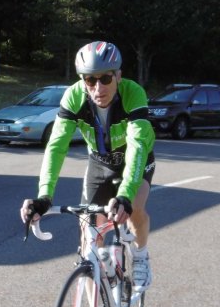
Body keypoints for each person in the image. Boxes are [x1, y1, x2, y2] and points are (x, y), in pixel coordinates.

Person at [20, 41, 156, 293]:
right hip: (100, 162)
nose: (98, 87)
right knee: (89, 238)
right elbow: (56, 146)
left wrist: (125, 195)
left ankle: (140, 255)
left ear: (118, 76)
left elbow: (137, 146)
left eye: (105, 78)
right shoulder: (74, 96)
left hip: (134, 160)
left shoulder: (133, 93)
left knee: (134, 208)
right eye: (90, 80)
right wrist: (44, 196)